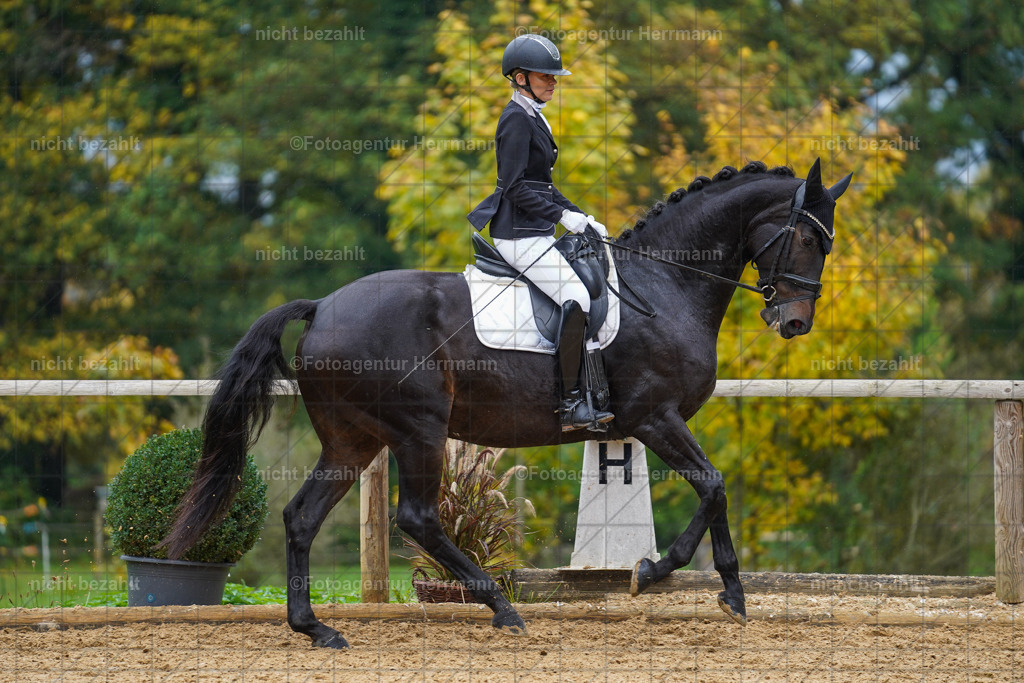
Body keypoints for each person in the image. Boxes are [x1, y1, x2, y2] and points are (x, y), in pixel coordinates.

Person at [468, 34, 613, 433]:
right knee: (576, 296)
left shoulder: (532, 113)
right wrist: (563, 217)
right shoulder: (515, 119)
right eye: (545, 76)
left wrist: (580, 215)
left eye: (555, 76)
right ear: (519, 77)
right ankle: (569, 404)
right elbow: (515, 187)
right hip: (518, 235)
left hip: (536, 230)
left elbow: (543, 184)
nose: (553, 82)